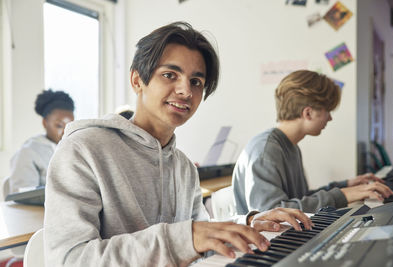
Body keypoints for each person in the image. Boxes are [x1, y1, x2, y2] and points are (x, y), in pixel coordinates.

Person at [44, 22, 312, 266]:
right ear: (137, 80)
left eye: (196, 81)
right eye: (170, 75)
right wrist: (185, 238)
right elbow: (70, 260)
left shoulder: (183, 166)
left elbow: (197, 236)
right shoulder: (83, 149)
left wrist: (250, 222)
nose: (186, 91)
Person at [233, 70, 393, 214]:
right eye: (327, 111)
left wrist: (347, 185)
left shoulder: (291, 146)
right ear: (308, 113)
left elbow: (300, 199)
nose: (330, 118)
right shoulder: (266, 150)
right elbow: (271, 213)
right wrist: (344, 195)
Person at [8, 89, 74, 193]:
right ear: (45, 123)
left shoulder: (75, 149)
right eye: (59, 126)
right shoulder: (28, 152)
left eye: (71, 126)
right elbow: (23, 195)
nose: (65, 132)